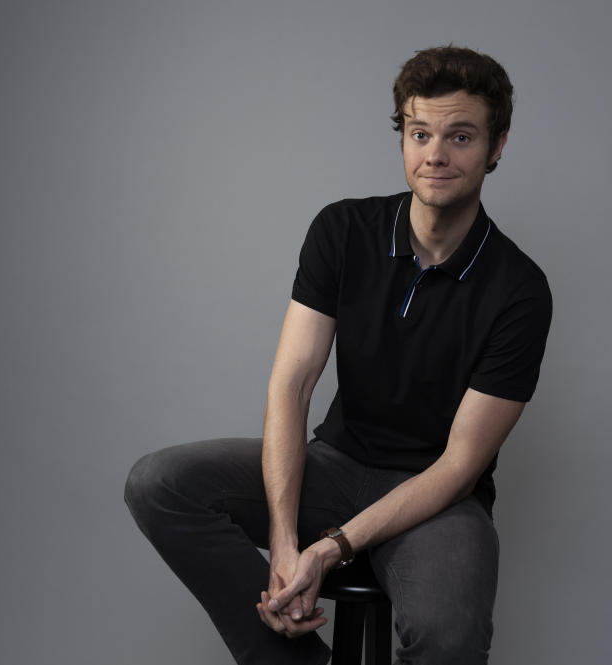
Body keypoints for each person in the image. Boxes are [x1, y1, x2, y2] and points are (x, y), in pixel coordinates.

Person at [125, 45, 552, 665]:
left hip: (435, 499)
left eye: (460, 136)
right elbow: (292, 385)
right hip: (335, 468)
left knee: (451, 639)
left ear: (497, 146)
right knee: (160, 485)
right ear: (402, 138)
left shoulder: (520, 288)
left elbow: (459, 464)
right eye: (420, 133)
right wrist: (283, 541)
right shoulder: (343, 231)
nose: (435, 154)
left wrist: (328, 549)